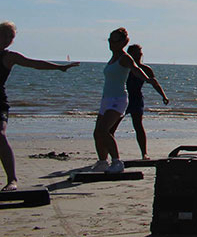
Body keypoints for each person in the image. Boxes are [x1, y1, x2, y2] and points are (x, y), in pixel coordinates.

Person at [1, 21, 79, 191]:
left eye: (11, 37)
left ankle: (12, 180)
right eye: (4, 35)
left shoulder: (9, 57)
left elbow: (34, 63)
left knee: (0, 135)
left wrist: (59, 67)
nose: (7, 39)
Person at [92, 28, 156, 173]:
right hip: (106, 99)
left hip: (118, 99)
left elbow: (135, 69)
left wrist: (147, 79)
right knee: (97, 133)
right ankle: (103, 162)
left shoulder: (124, 57)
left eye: (114, 40)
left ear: (123, 42)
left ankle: (117, 162)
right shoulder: (113, 58)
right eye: (109, 39)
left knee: (104, 130)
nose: (111, 43)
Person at [112, 44, 169, 161]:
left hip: (136, 99)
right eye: (136, 53)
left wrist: (163, 96)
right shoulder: (124, 67)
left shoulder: (146, 69)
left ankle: (144, 153)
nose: (139, 55)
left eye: (140, 53)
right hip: (123, 98)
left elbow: (154, 83)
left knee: (138, 125)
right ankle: (110, 155)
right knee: (112, 127)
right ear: (130, 54)